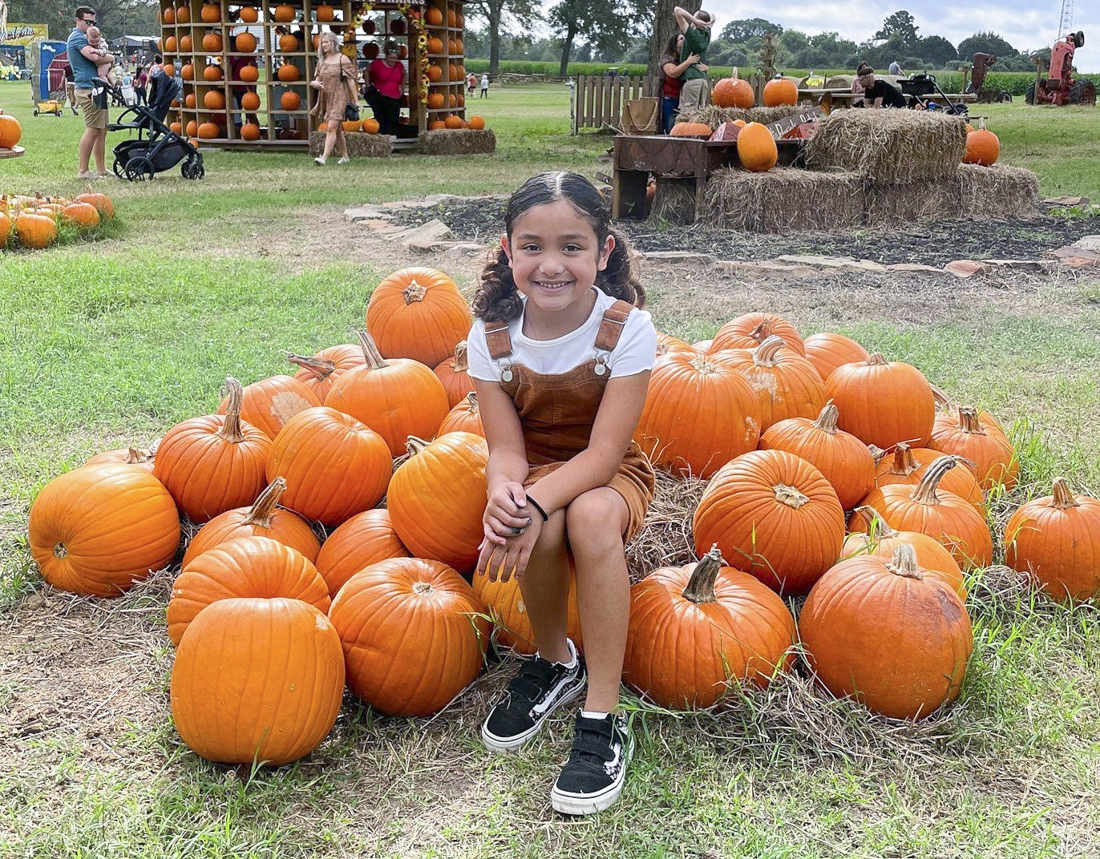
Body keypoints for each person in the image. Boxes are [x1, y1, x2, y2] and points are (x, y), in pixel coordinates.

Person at [468, 171, 657, 816]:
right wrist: (505, 493)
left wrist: (540, 500)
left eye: (572, 246)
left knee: (591, 516)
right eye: (533, 246)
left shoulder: (626, 329)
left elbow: (604, 455)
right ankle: (554, 660)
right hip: (534, 468)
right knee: (536, 522)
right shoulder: (491, 335)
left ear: (603, 252)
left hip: (606, 473)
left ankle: (603, 715)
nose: (551, 265)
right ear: (507, 249)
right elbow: (507, 449)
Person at [67, 6, 113, 179]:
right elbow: (95, 57)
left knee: (102, 129)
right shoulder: (77, 38)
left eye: (93, 22)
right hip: (87, 88)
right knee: (93, 129)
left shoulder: (88, 36)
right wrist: (111, 58)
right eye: (88, 22)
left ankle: (101, 169)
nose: (91, 25)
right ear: (78, 20)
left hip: (97, 87)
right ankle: (83, 171)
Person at [309, 31, 359, 164]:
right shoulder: (322, 61)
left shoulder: (342, 58)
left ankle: (323, 158)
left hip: (340, 96)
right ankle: (345, 156)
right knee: (336, 130)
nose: (324, 45)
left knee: (331, 127)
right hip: (326, 97)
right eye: (322, 43)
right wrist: (313, 83)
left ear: (333, 42)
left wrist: (356, 100)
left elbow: (350, 81)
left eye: (326, 42)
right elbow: (317, 80)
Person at [659, 32, 701, 133]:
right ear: (674, 43)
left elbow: (702, 67)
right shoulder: (667, 58)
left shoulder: (686, 56)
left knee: (681, 125)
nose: (684, 40)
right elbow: (672, 73)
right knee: (670, 125)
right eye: (681, 39)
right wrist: (688, 62)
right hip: (670, 98)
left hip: (684, 98)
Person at [673, 5, 712, 113]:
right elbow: (712, 17)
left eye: (693, 18)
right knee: (700, 115)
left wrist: (695, 21)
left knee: (688, 114)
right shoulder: (707, 34)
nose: (691, 20)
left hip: (692, 81)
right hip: (702, 80)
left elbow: (677, 10)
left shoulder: (693, 35)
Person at [363, 40, 404, 137]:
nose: (393, 60)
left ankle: (392, 142)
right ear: (386, 56)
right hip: (380, 97)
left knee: (393, 121)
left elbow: (404, 75)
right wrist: (368, 85)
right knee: (381, 120)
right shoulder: (377, 63)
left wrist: (402, 88)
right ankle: (382, 140)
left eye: (395, 58)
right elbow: (366, 71)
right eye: (390, 58)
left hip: (394, 97)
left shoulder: (399, 65)